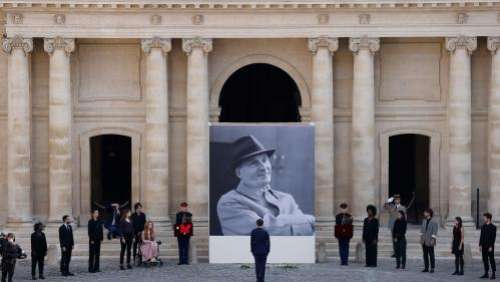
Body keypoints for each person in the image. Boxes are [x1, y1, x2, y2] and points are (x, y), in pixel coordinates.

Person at [217, 135, 314, 236]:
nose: (263, 167)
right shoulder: (229, 202)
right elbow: (263, 232)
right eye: (254, 163)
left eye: (264, 160)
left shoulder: (286, 199)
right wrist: (308, 220)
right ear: (239, 173)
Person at [480, 212, 497, 279]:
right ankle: (486, 273)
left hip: (490, 246)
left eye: (485, 217)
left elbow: (493, 238)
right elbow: (481, 236)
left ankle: (493, 273)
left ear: (488, 218)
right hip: (483, 245)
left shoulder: (493, 227)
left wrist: (491, 246)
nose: (484, 219)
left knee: (491, 259)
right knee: (485, 259)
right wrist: (480, 245)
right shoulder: (483, 226)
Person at [420, 208, 438, 273]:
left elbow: (435, 231)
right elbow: (422, 230)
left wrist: (433, 239)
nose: (424, 213)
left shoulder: (434, 221)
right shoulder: (424, 221)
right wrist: (421, 239)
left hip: (430, 240)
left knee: (431, 254)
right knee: (425, 254)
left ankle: (432, 268)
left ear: (429, 213)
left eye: (425, 212)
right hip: (424, 240)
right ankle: (426, 267)